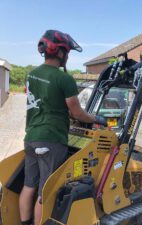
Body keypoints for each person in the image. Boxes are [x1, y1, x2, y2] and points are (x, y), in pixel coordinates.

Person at [19, 30, 106, 225]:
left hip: (31, 137)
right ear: (59, 52)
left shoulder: (31, 74)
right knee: (45, 192)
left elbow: (47, 103)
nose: (67, 56)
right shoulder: (64, 79)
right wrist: (97, 119)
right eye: (67, 52)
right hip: (52, 139)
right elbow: (77, 113)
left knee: (28, 186)